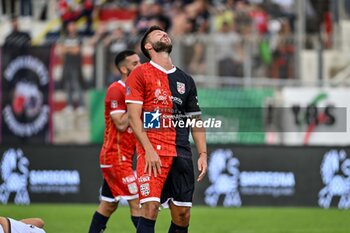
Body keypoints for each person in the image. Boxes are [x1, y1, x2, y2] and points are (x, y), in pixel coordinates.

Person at [125, 25, 208, 233]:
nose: (164, 33)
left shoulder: (186, 80)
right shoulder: (140, 73)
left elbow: (195, 119)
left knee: (182, 215)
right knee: (150, 208)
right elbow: (135, 118)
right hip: (152, 152)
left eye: (164, 31)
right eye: (157, 33)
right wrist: (148, 150)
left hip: (181, 151)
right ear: (148, 46)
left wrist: (203, 153)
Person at [88, 50, 141, 233]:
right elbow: (120, 123)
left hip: (124, 157)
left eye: (139, 62)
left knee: (108, 205)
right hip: (115, 158)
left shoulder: (135, 91)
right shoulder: (116, 89)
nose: (140, 66)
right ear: (124, 68)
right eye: (135, 63)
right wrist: (135, 103)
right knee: (138, 203)